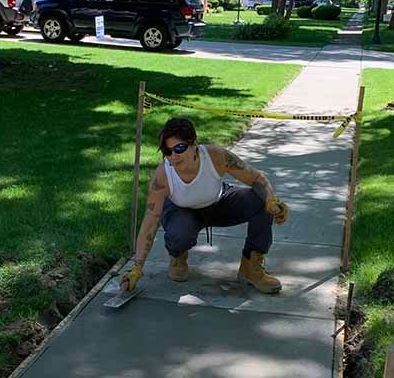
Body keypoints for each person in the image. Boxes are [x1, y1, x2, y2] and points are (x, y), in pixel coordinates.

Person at [120, 117, 290, 294]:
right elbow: (150, 221)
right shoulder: (162, 177)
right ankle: (177, 256)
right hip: (181, 210)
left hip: (218, 201)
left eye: (179, 148)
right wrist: (137, 268)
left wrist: (271, 201)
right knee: (180, 233)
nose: (174, 156)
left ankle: (251, 266)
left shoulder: (216, 157)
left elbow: (256, 178)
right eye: (167, 151)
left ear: (194, 144)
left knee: (261, 200)